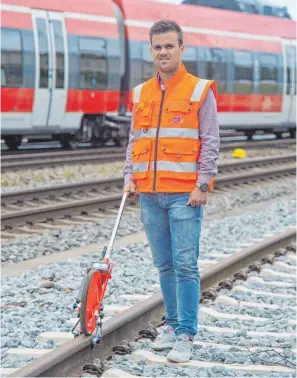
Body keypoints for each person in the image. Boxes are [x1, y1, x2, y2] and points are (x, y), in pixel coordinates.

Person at [123, 20, 220, 363]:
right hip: (149, 194)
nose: (163, 52)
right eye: (157, 47)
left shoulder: (199, 90)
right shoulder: (141, 93)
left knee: (185, 265)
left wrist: (202, 184)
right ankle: (173, 324)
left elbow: (210, 141)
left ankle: (186, 335)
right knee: (164, 265)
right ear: (151, 51)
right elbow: (136, 141)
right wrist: (129, 176)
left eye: (169, 46)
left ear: (182, 48)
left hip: (184, 196)